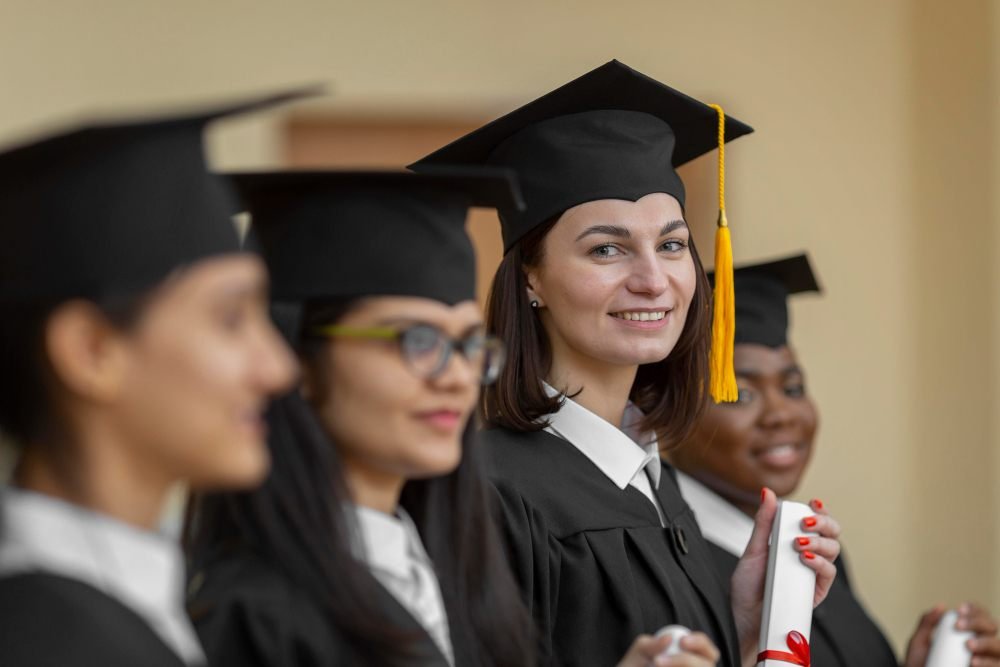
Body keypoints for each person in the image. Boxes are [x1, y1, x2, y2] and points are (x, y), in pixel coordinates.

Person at [411, 59, 842, 667]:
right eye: (607, 249)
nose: (653, 280)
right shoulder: (488, 492)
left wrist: (744, 630)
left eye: (670, 244)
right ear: (531, 277)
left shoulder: (655, 484)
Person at [186, 169, 543, 667]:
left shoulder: (454, 578)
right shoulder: (252, 615)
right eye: (417, 340)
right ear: (295, 360)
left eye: (467, 344)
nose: (458, 377)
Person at [0, 92, 302, 666]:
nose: (279, 368)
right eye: (231, 318)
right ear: (91, 351)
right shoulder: (46, 641)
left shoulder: (135, 596)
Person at [669, 253, 1000, 667]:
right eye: (739, 394)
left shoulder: (813, 549)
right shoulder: (665, 563)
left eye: (792, 388)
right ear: (663, 408)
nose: (782, 414)